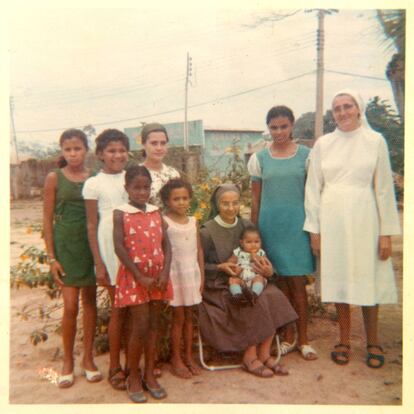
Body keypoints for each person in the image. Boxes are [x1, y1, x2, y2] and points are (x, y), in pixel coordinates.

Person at [304, 89, 401, 368]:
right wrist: (315, 230)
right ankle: (343, 339)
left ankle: (373, 341)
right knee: (340, 281)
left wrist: (386, 233)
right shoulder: (324, 143)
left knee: (368, 277)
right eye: (337, 108)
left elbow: (383, 189)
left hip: (365, 219)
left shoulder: (375, 141)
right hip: (332, 219)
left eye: (348, 106)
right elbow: (313, 188)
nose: (343, 112)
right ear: (333, 114)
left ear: (359, 109)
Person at [198, 184, 298, 377]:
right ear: (216, 204)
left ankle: (264, 353)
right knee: (251, 300)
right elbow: (199, 266)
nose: (230, 208)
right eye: (225, 203)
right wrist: (220, 267)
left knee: (273, 295)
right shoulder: (207, 231)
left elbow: (260, 255)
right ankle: (249, 356)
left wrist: (269, 271)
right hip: (220, 285)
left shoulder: (246, 226)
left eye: (235, 203)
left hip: (251, 279)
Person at [248, 106, 317, 360]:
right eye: (274, 127)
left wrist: (314, 230)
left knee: (298, 285)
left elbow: (313, 196)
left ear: (292, 126)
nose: (279, 132)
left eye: (284, 126)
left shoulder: (307, 156)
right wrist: (254, 233)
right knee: (280, 286)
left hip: (297, 229)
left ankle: (305, 340)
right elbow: (256, 201)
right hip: (270, 229)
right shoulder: (259, 159)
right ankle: (288, 338)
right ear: (268, 128)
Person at [43, 128, 102, 388]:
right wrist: (51, 257)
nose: (73, 153)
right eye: (68, 149)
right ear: (62, 152)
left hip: (90, 243)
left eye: (77, 148)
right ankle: (67, 361)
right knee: (70, 307)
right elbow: (46, 220)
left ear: (86, 150)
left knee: (90, 304)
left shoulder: (94, 177)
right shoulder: (54, 177)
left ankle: (88, 359)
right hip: (66, 246)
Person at [113, 165, 172, 402]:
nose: (141, 192)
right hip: (135, 278)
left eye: (145, 187)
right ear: (126, 188)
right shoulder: (121, 213)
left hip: (157, 277)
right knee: (140, 325)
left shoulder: (156, 212)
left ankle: (150, 373)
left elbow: (167, 245)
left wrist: (165, 273)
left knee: (154, 325)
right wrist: (139, 276)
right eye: (136, 187)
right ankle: (133, 375)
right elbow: (119, 247)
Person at [82, 129, 130, 390]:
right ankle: (114, 366)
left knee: (137, 310)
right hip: (108, 247)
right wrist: (98, 262)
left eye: (122, 150)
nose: (117, 155)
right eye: (111, 150)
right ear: (100, 154)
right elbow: (91, 225)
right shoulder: (93, 183)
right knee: (118, 308)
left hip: (133, 246)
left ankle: (135, 363)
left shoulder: (132, 177)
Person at [159, 178, 204, 379]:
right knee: (178, 318)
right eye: (176, 199)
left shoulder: (193, 221)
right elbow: (162, 252)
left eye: (185, 198)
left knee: (189, 318)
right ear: (167, 201)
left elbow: (199, 250)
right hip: (174, 275)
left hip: (191, 274)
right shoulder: (164, 222)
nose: (181, 202)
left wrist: (201, 275)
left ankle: (189, 356)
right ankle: (175, 358)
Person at [140, 122, 180, 207]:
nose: (159, 148)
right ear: (143, 145)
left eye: (163, 143)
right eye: (154, 143)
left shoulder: (173, 174)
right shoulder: (136, 173)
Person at [226, 226, 268, 305]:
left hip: (254, 278)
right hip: (241, 278)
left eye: (256, 242)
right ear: (242, 243)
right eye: (249, 242)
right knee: (233, 280)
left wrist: (259, 260)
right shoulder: (238, 252)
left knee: (259, 278)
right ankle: (238, 296)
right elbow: (230, 262)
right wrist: (235, 268)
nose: (253, 245)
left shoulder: (261, 253)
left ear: (261, 242)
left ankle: (253, 295)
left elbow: (266, 265)